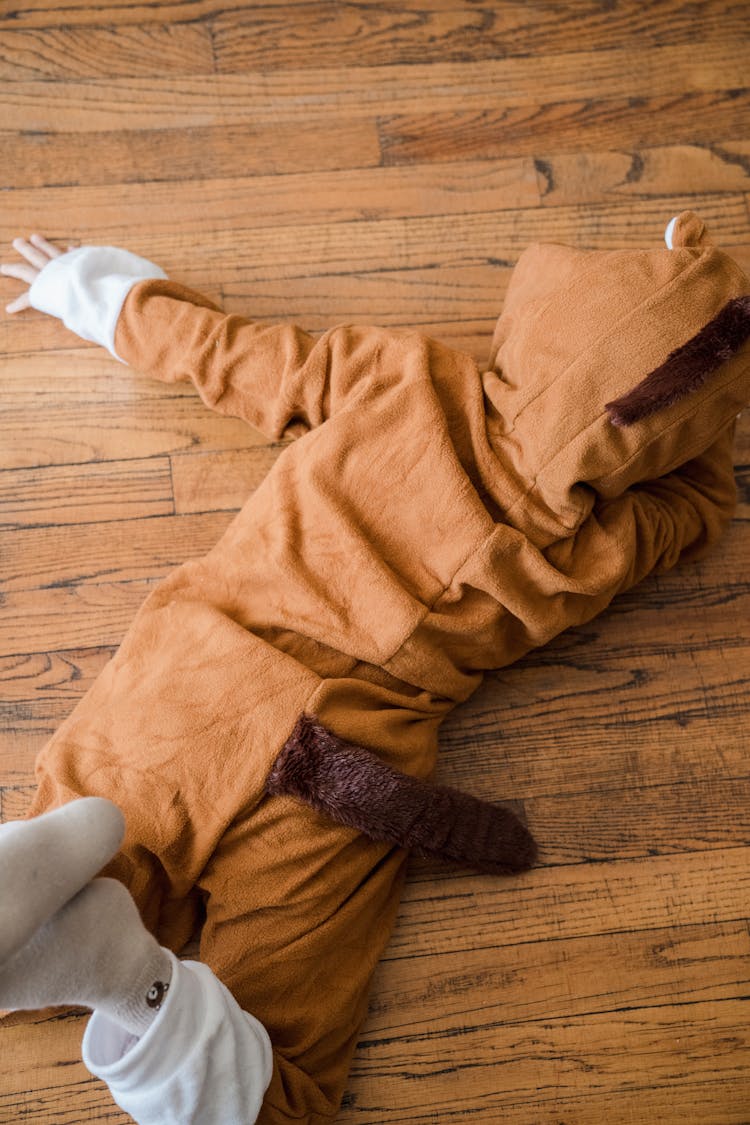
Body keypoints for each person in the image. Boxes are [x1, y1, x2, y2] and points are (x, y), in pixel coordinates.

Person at [0, 213, 748, 1124]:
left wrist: (95, 290)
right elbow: (705, 504)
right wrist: (719, 372)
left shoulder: (412, 380)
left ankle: (46, 905)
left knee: (50, 906)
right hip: (349, 770)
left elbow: (242, 357)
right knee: (288, 1084)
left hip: (198, 674)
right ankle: (136, 987)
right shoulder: (600, 538)